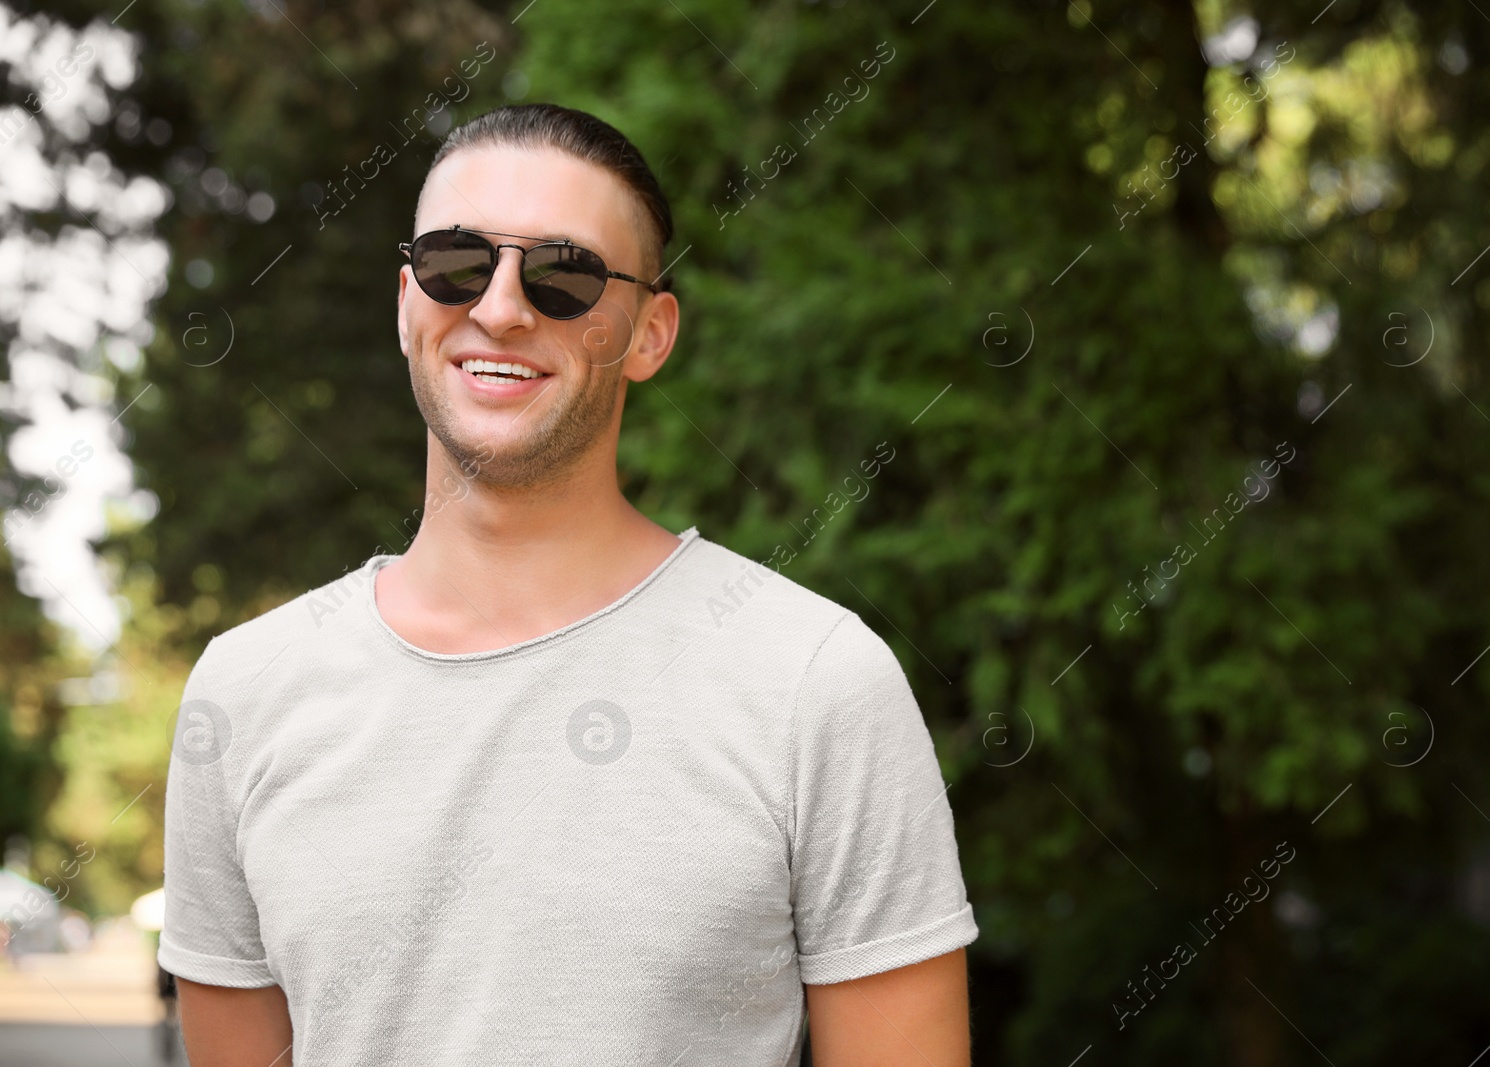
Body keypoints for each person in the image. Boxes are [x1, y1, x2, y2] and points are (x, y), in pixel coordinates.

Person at [157, 102, 978, 1067]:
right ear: (406, 299)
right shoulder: (243, 693)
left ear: (648, 334)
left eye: (564, 274)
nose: (499, 307)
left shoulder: (817, 683)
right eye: (456, 261)